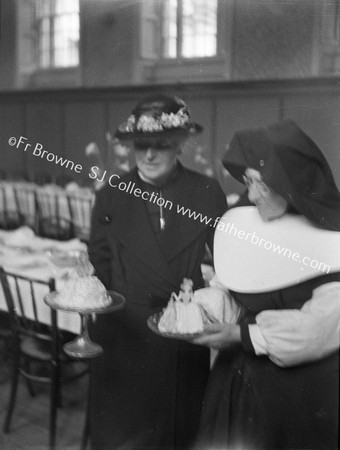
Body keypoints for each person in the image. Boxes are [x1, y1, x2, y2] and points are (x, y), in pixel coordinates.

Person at [87, 93, 227, 449]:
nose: (148, 155)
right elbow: (99, 264)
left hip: (180, 331)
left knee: (177, 434)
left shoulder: (207, 192)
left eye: (160, 146)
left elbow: (226, 263)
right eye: (140, 146)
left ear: (179, 145)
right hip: (125, 335)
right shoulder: (111, 195)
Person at [191, 119, 340, 450]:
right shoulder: (247, 220)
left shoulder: (333, 239)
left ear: (292, 185)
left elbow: (317, 330)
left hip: (302, 393)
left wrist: (242, 335)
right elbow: (231, 286)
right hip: (238, 381)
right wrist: (205, 310)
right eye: (247, 182)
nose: (252, 194)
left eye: (263, 184)